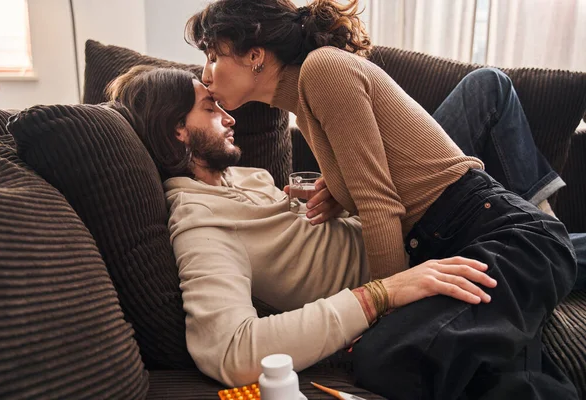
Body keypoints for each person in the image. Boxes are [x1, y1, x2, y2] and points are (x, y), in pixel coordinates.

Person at [183, 0, 579, 399]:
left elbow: (381, 204)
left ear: (255, 55)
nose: (206, 73)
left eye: (214, 56)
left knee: (391, 355)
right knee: (406, 359)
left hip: (498, 233)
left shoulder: (323, 71)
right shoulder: (304, 110)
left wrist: (388, 305)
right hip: (451, 241)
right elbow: (380, 179)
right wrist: (340, 194)